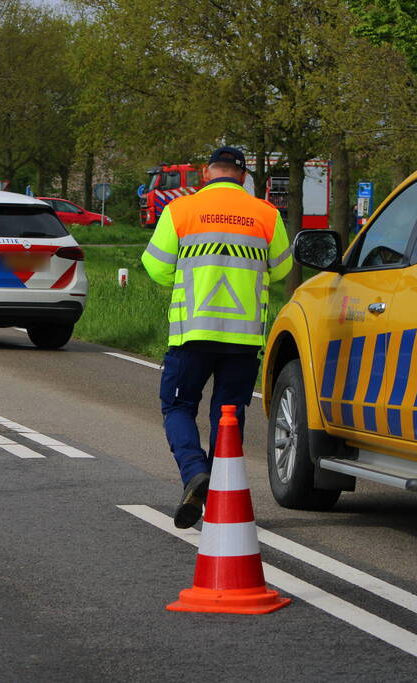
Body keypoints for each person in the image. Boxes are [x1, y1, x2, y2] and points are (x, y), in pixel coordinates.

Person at [141, 146, 291, 528]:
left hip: (192, 333)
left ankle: (194, 473)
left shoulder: (180, 211)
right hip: (242, 339)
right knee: (228, 416)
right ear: (243, 176)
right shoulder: (267, 215)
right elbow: (282, 268)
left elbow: (156, 268)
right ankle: (218, 491)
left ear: (207, 173)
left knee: (178, 407)